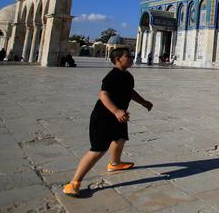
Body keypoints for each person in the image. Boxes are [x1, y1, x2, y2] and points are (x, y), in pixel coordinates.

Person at [62, 47, 153, 197]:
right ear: (118, 60)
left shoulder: (127, 76)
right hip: (105, 116)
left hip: (120, 115)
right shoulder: (112, 76)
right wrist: (116, 111)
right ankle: (74, 183)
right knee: (98, 149)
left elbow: (130, 92)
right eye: (127, 56)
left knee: (120, 138)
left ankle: (115, 163)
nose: (131, 58)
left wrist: (144, 102)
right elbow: (103, 95)